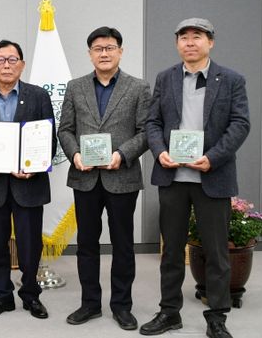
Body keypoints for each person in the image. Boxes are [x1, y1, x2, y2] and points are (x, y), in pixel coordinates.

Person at [141, 18, 250, 338]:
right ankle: (169, 312)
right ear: (177, 44)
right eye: (184, 37)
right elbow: (152, 122)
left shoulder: (231, 79)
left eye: (197, 36)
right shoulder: (165, 78)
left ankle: (216, 317)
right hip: (173, 177)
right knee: (171, 251)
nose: (190, 42)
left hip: (212, 177)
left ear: (210, 42)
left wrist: (213, 158)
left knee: (216, 252)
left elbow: (240, 124)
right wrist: (159, 151)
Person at [57, 27, 150, 330]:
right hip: (84, 177)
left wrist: (122, 154)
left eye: (110, 48)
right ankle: (90, 304)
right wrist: (75, 155)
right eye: (98, 49)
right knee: (86, 243)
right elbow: (65, 129)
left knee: (123, 244)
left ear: (120, 51)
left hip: (122, 176)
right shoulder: (76, 87)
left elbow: (146, 131)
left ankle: (122, 306)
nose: (104, 53)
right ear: (90, 54)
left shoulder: (138, 88)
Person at [0, 39, 56, 319]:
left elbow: (48, 139)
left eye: (12, 59)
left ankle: (31, 295)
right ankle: (1, 295)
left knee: (30, 245)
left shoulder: (38, 96)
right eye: (1, 60)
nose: (7, 65)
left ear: (22, 65)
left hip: (29, 184)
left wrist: (35, 166)